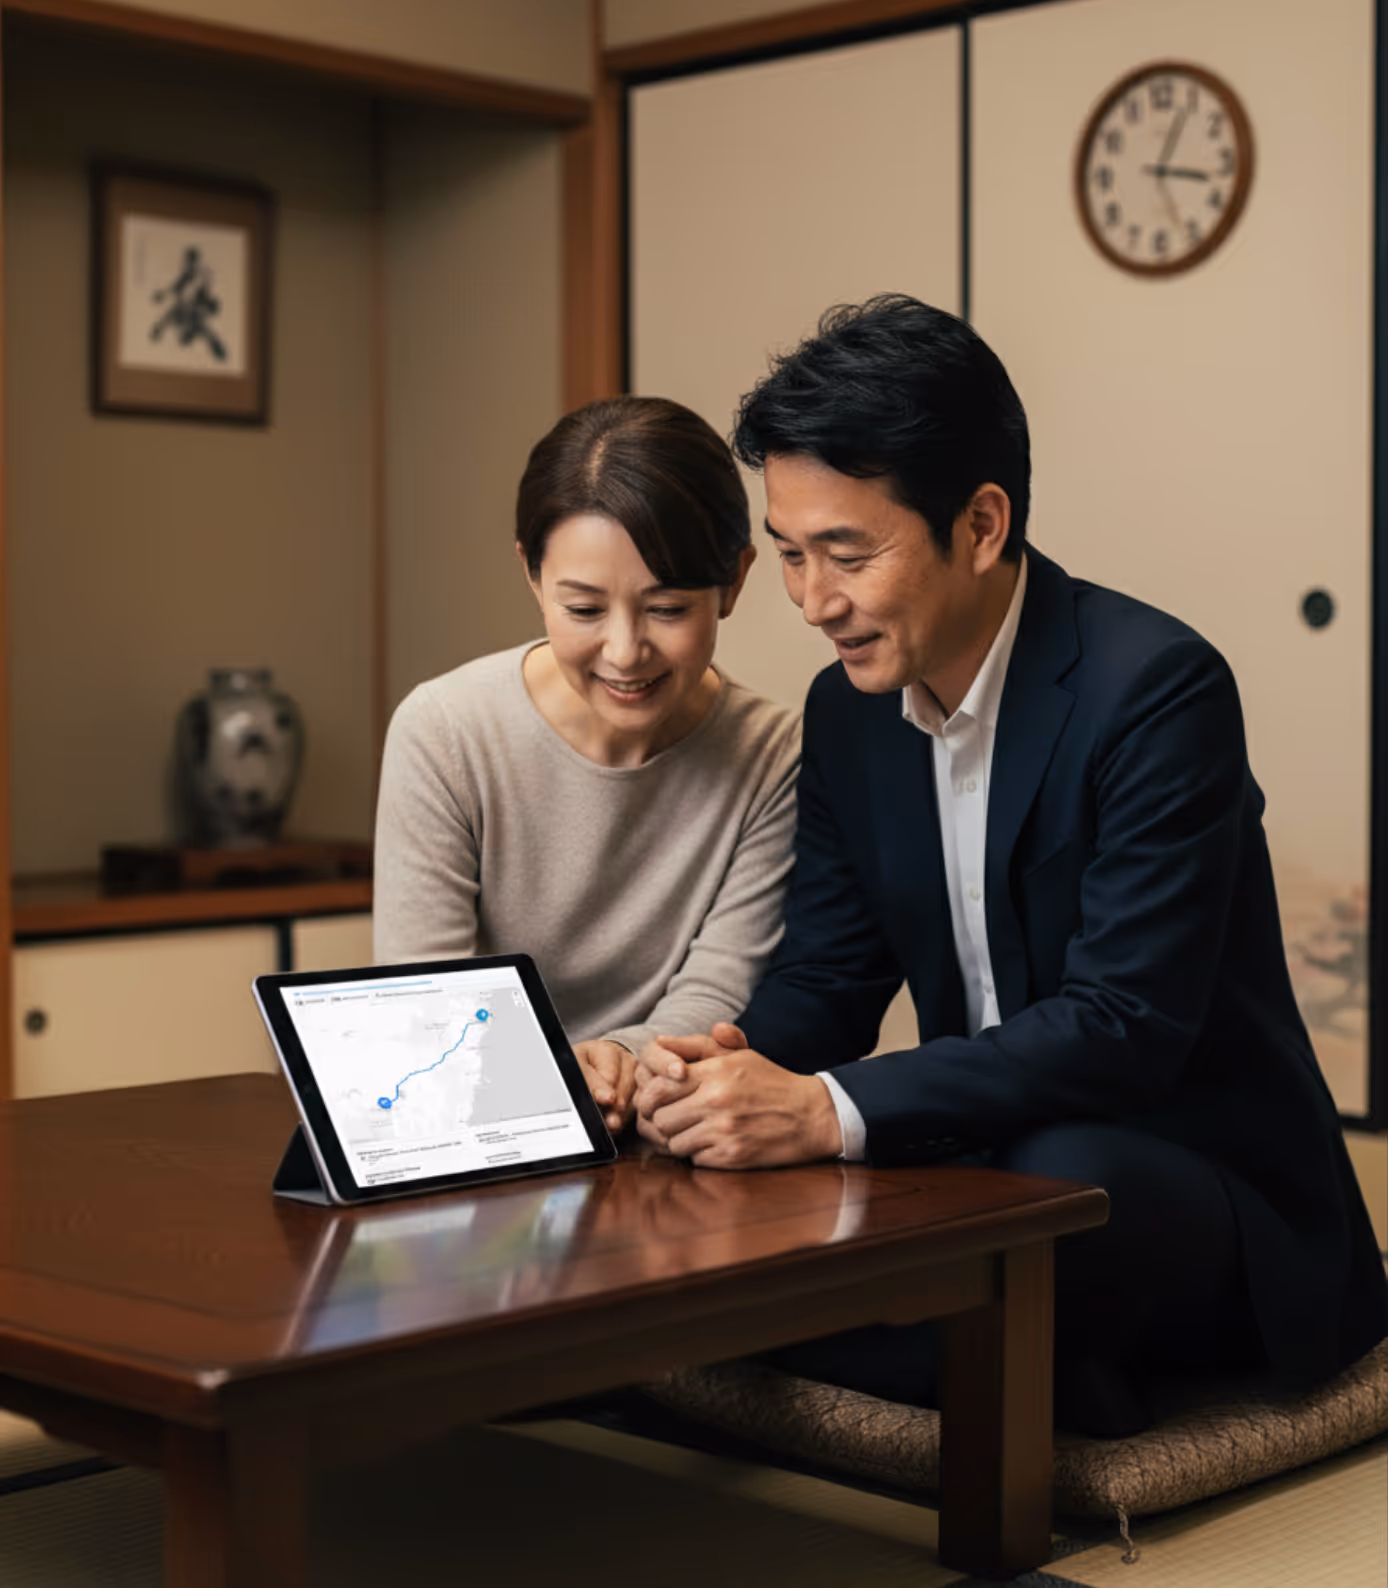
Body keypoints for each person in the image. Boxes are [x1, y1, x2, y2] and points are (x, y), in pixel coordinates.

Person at [633, 296, 1387, 1434]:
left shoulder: (1155, 689)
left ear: (979, 525)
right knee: (766, 1189)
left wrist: (823, 1112)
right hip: (985, 1157)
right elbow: (828, 980)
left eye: (845, 553)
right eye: (788, 555)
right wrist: (716, 1079)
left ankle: (922, 1349)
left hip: (1198, 1177)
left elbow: (1123, 1026)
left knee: (1052, 1174)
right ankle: (1019, 1368)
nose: (809, 601)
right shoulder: (846, 715)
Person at [374, 396, 800, 1133]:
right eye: (583, 609)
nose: (625, 651)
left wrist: (606, 1064)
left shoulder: (771, 754)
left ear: (733, 581)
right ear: (532, 576)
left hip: (665, 1124)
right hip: (471, 1128)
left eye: (666, 609)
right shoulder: (446, 733)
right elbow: (425, 1008)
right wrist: (557, 1074)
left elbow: (712, 996)